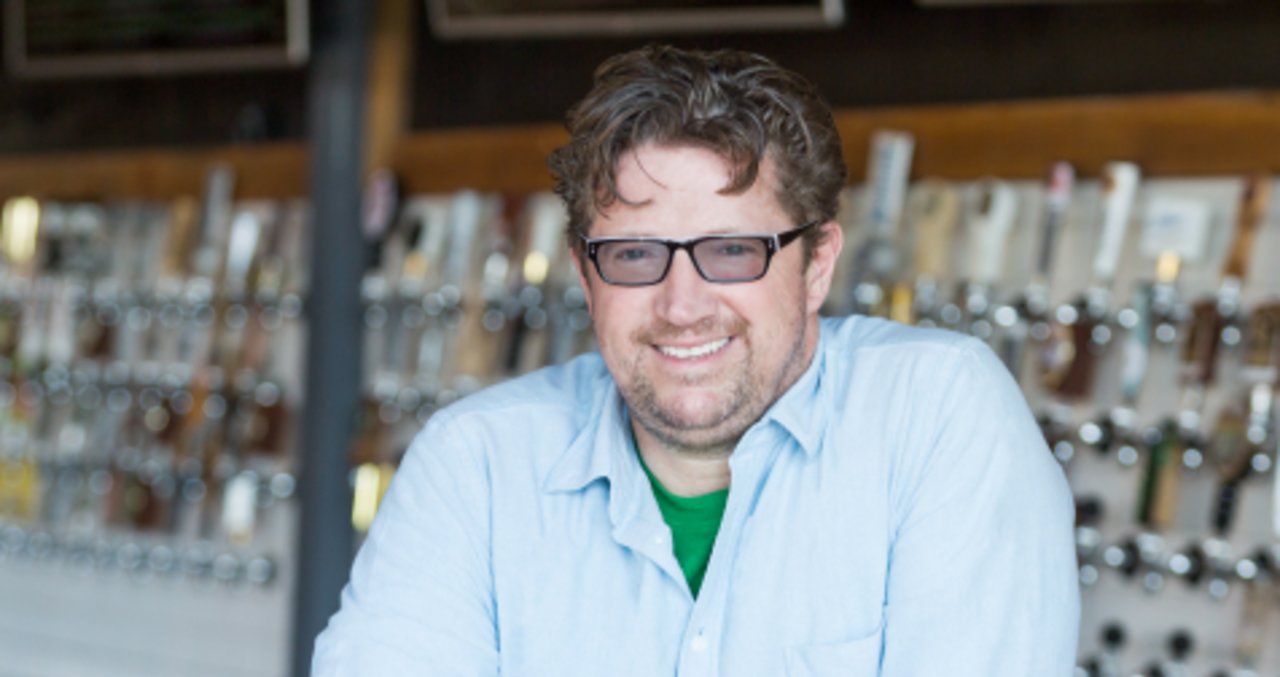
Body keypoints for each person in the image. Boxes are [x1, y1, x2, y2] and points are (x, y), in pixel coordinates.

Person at [313, 44, 1079, 676]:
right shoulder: (474, 465)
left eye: (733, 250)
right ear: (584, 274)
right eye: (635, 254)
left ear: (817, 265)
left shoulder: (939, 414)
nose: (682, 304)